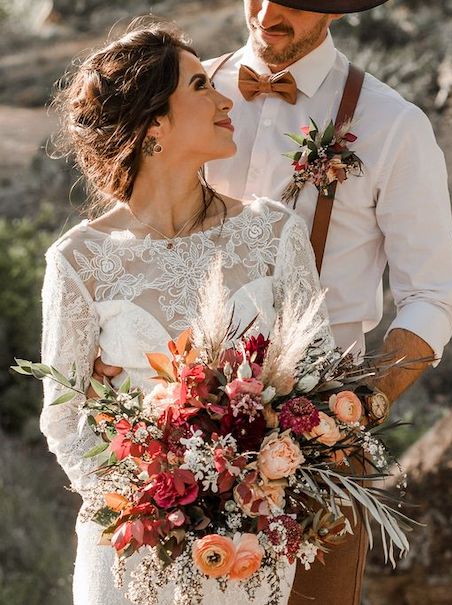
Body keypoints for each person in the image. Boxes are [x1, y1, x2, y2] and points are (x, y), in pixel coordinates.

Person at [91, 1, 452, 603]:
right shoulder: (183, 94)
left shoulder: (392, 124)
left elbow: (434, 295)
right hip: (170, 452)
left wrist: (359, 407)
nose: (265, 13)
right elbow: (119, 238)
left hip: (312, 455)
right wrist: (105, 343)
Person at [40, 19, 332, 605]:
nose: (225, 99)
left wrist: (253, 493)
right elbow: (63, 417)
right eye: (200, 87)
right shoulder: (80, 260)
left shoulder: (274, 233)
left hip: (251, 551)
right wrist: (143, 501)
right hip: (133, 552)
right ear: (155, 125)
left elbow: (316, 383)